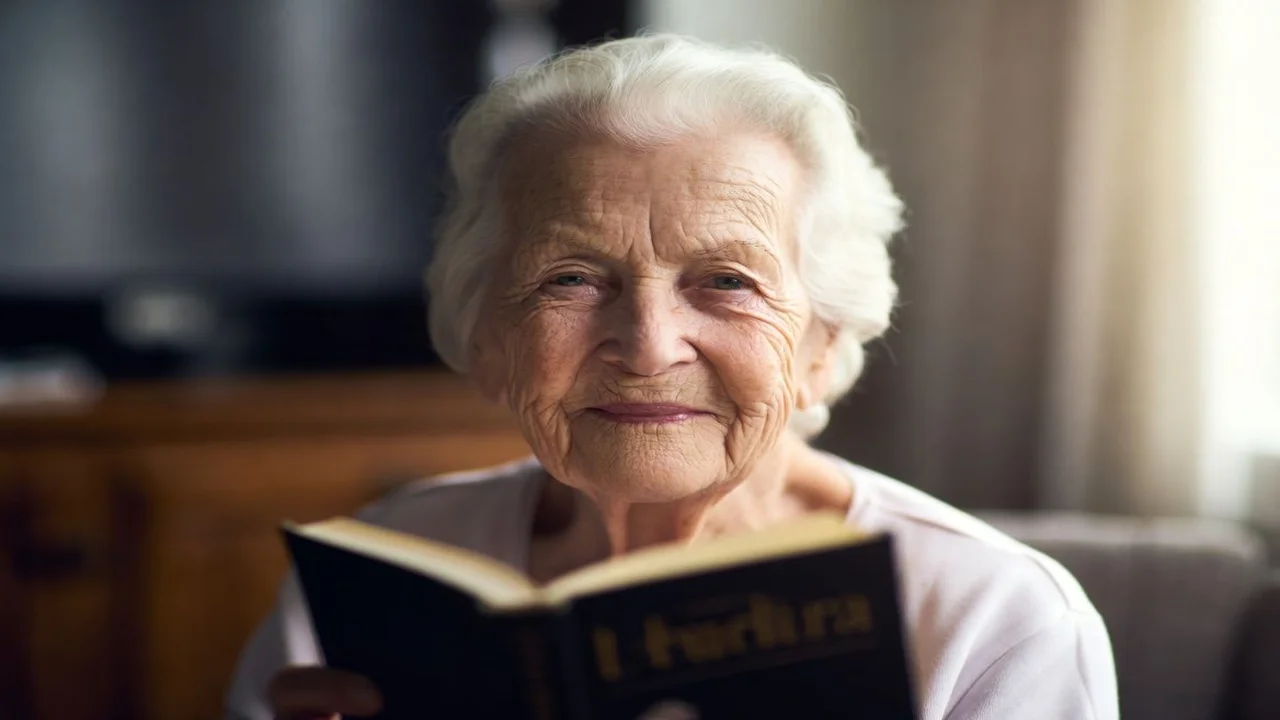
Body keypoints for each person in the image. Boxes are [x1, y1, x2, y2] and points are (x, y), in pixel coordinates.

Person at [225, 33, 1119, 720]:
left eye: (726, 282)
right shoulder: (376, 585)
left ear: (820, 344)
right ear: (488, 337)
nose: (649, 346)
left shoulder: (992, 619)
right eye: (571, 279)